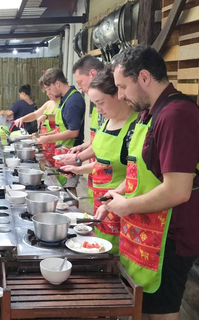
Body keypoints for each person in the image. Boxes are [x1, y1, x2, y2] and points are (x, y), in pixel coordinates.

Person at [102, 45, 199, 319]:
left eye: (122, 87)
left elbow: (178, 190)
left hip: (169, 239)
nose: (120, 95)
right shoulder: (150, 115)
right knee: (142, 307)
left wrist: (128, 206)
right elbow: (141, 172)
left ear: (144, 77)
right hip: (145, 234)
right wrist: (115, 196)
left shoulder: (176, 115)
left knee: (161, 313)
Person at [60, 66, 137, 253]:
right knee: (100, 249)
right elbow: (104, 164)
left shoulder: (136, 126)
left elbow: (137, 175)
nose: (98, 109)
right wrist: (78, 166)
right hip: (101, 201)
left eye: (101, 102)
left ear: (118, 94)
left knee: (120, 256)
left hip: (123, 206)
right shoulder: (107, 121)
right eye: (95, 104)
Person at [35, 68, 85, 190]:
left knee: (69, 189)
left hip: (71, 152)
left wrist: (48, 138)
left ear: (57, 84)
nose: (48, 92)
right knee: (62, 187)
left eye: (49, 88)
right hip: (62, 151)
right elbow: (61, 128)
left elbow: (73, 132)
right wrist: (44, 136)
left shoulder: (73, 100)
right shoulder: (65, 100)